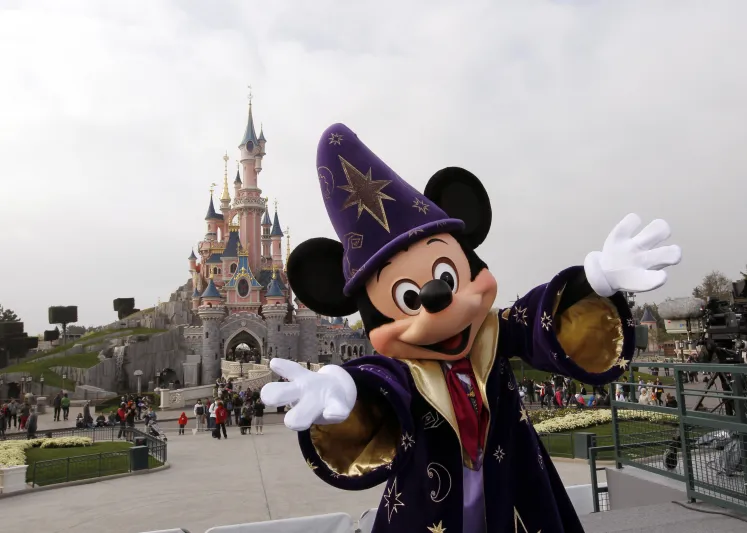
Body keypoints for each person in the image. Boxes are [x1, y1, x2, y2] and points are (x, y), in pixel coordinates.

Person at [259, 124, 682, 532]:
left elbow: (536, 319)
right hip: (429, 504)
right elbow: (379, 385)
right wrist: (345, 394)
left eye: (447, 276)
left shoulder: (492, 335)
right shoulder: (404, 371)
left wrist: (592, 282)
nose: (437, 301)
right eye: (409, 299)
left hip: (514, 488)